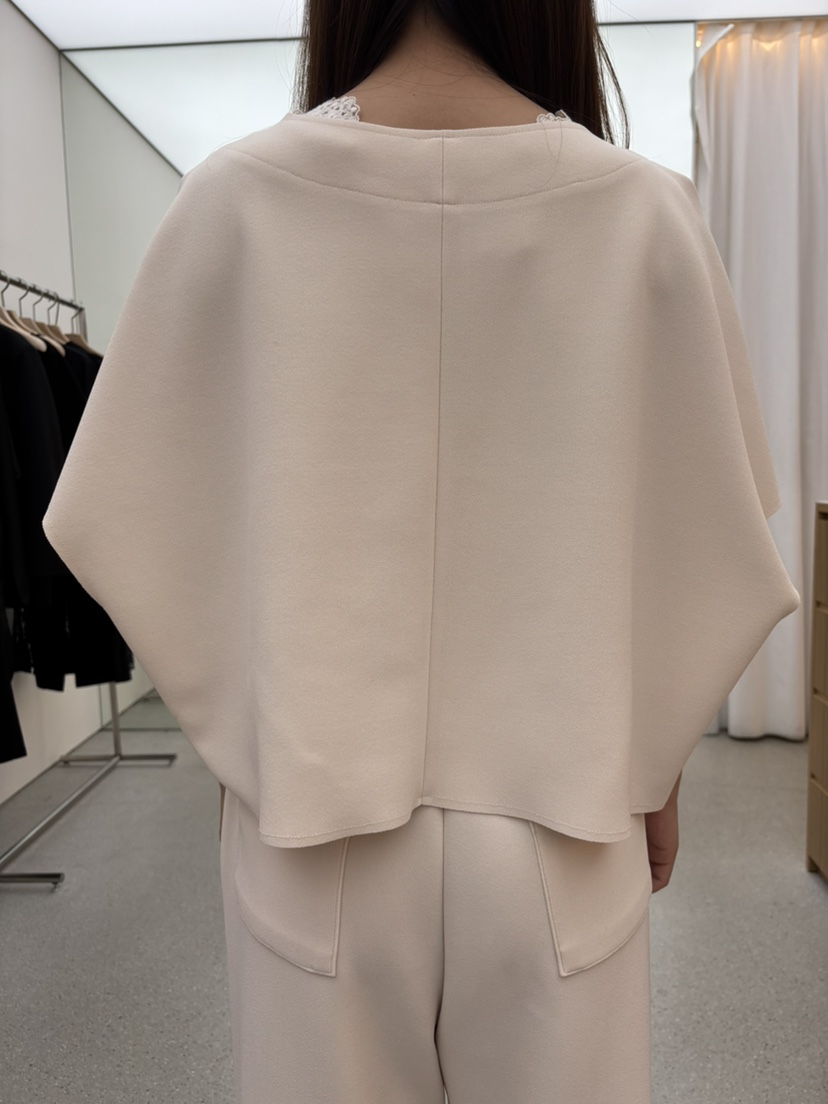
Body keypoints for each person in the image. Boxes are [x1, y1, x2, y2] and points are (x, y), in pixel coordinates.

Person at [42, 1, 800, 1101]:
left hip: (315, 836)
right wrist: (651, 755)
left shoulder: (235, 198)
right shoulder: (645, 210)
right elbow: (707, 542)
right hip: (566, 827)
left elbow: (118, 520)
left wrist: (250, 732)